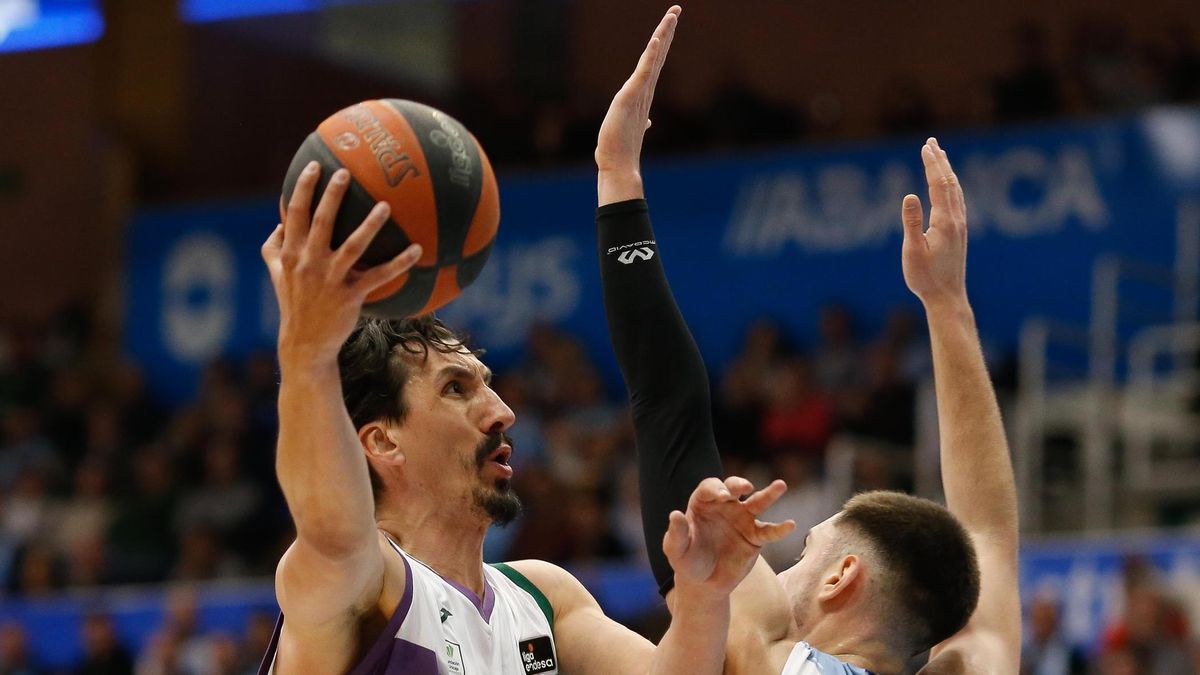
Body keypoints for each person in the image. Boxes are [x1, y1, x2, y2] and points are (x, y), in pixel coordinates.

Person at [255, 7, 792, 674]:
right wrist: (307, 354)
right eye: (457, 388)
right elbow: (333, 528)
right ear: (382, 439)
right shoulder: (359, 583)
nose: (503, 411)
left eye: (488, 383)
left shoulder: (544, 596)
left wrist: (707, 593)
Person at [593, 8, 1020, 673]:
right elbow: (988, 533)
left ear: (840, 576)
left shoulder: (773, 654)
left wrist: (619, 177)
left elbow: (668, 396)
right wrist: (947, 307)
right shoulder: (978, 663)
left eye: (798, 557)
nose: (772, 569)